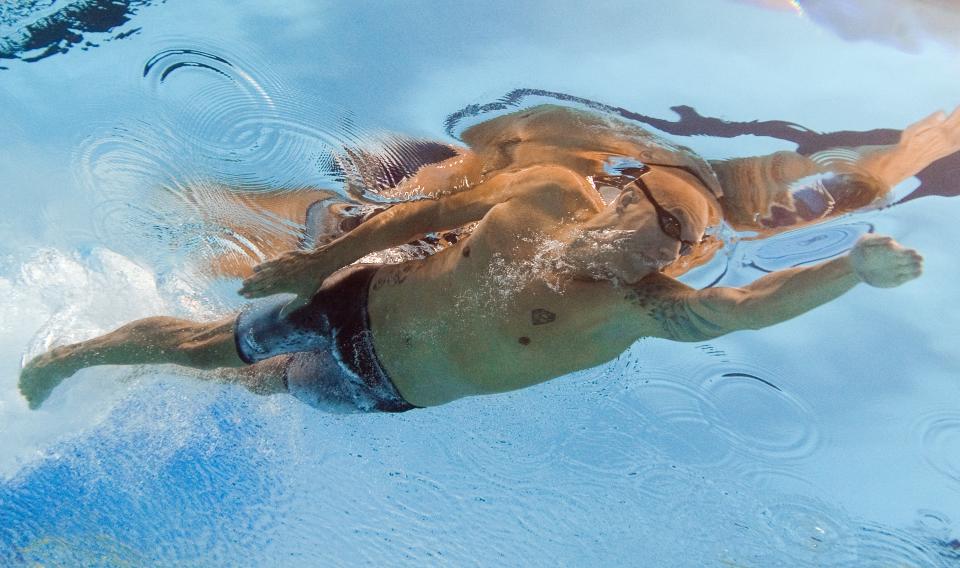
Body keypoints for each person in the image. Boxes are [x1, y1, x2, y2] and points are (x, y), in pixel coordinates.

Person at [19, 104, 954, 411]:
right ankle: (78, 354)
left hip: (389, 393)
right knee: (205, 346)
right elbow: (399, 222)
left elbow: (747, 310)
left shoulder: (642, 307)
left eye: (683, 240)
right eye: (661, 217)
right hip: (357, 307)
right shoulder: (548, 192)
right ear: (626, 197)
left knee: (268, 385)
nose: (665, 243)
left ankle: (219, 373)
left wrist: (849, 274)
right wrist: (311, 267)